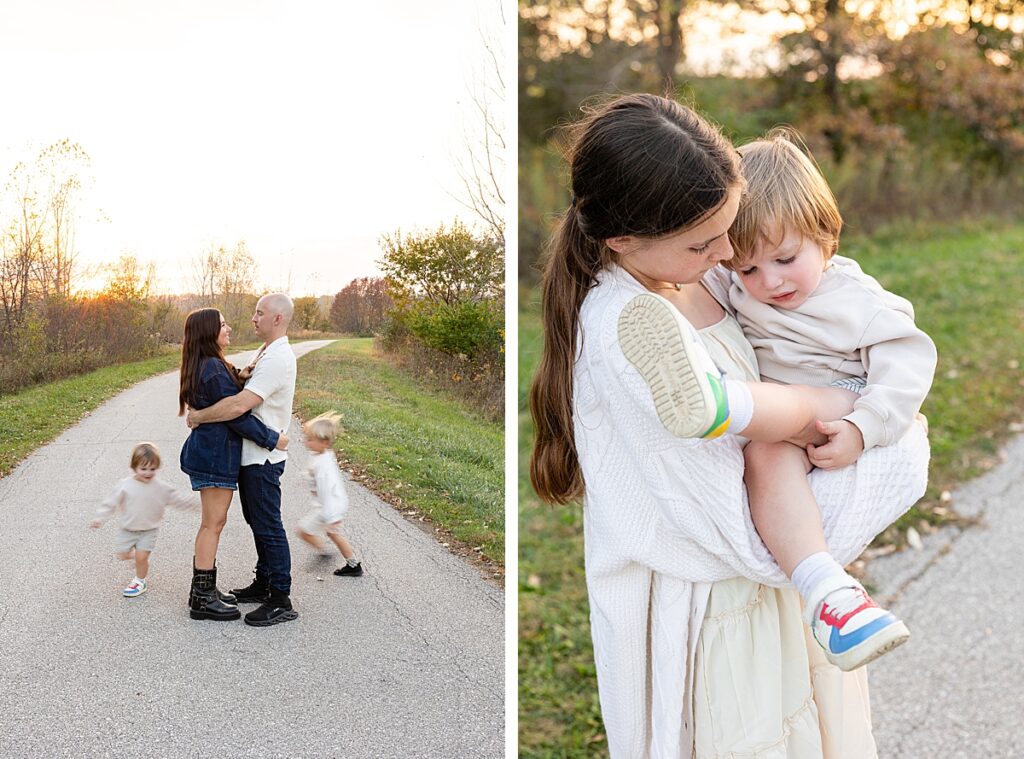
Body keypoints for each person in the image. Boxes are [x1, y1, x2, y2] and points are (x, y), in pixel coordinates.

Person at [529, 93, 930, 758]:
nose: (727, 255)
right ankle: (733, 406)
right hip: (720, 616)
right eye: (705, 242)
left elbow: (898, 368)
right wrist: (849, 427)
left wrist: (858, 416)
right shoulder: (626, 328)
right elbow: (739, 533)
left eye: (730, 226)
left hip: (786, 602)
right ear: (623, 240)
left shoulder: (703, 274)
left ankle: (742, 410)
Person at [616, 128, 937, 672]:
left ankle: (721, 407)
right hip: (782, 422)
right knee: (765, 457)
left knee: (771, 417)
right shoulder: (738, 286)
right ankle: (828, 593)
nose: (769, 282)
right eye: (748, 268)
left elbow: (909, 360)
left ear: (825, 235)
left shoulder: (854, 299)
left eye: (786, 259)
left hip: (846, 402)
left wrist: (866, 425)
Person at [186, 293, 299, 627]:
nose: (252, 318)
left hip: (263, 457)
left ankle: (280, 597)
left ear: (277, 318)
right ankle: (264, 582)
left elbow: (236, 408)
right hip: (248, 456)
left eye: (259, 313)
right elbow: (233, 395)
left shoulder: (278, 357)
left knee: (267, 525)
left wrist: (199, 417)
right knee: (256, 523)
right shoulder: (264, 352)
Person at [91, 442, 199, 597]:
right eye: (143, 469)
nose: (148, 473)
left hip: (149, 530)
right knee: (122, 554)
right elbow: (111, 502)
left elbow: (178, 499)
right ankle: (137, 559)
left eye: (152, 469)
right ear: (134, 467)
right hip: (127, 529)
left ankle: (140, 580)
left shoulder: (160, 487)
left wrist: (196, 505)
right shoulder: (125, 485)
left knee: (142, 557)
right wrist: (100, 518)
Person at [294, 411, 363, 577]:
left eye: (311, 440)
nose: (306, 443)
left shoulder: (323, 467)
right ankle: (351, 564)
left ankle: (326, 553)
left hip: (329, 507)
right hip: (330, 505)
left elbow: (326, 490)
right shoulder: (322, 455)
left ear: (325, 443)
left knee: (303, 530)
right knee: (333, 533)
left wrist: (332, 516)